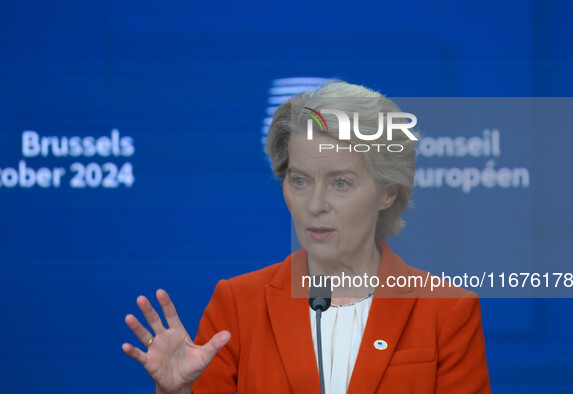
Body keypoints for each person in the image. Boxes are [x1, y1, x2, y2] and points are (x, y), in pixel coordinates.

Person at [123, 81, 491, 393]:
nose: (315, 204)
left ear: (387, 192)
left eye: (340, 183)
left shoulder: (446, 310)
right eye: (299, 181)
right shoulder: (238, 304)